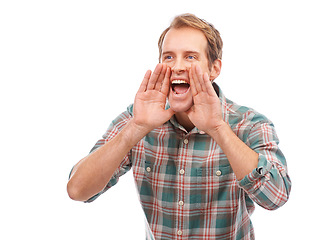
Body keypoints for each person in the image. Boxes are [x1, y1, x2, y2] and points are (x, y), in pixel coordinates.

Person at [67, 13, 291, 240]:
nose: (178, 67)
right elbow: (78, 190)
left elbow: (276, 197)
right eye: (169, 57)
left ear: (214, 69)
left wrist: (218, 128)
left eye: (191, 57)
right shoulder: (139, 118)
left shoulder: (250, 124)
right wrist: (136, 128)